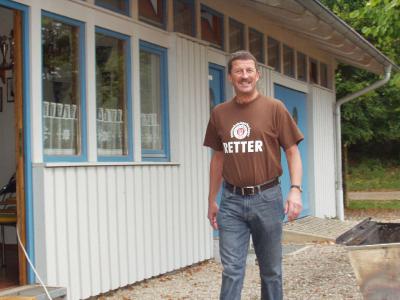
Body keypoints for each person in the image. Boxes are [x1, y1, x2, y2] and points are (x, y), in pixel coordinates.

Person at [203, 50, 304, 300]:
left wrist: (295, 189)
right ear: (230, 77)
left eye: (249, 71)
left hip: (267, 199)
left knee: (271, 271)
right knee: (232, 270)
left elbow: (292, 151)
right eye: (238, 71)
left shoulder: (275, 108)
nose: (244, 76)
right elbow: (218, 158)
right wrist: (211, 200)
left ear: (257, 75)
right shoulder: (219, 113)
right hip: (231, 202)